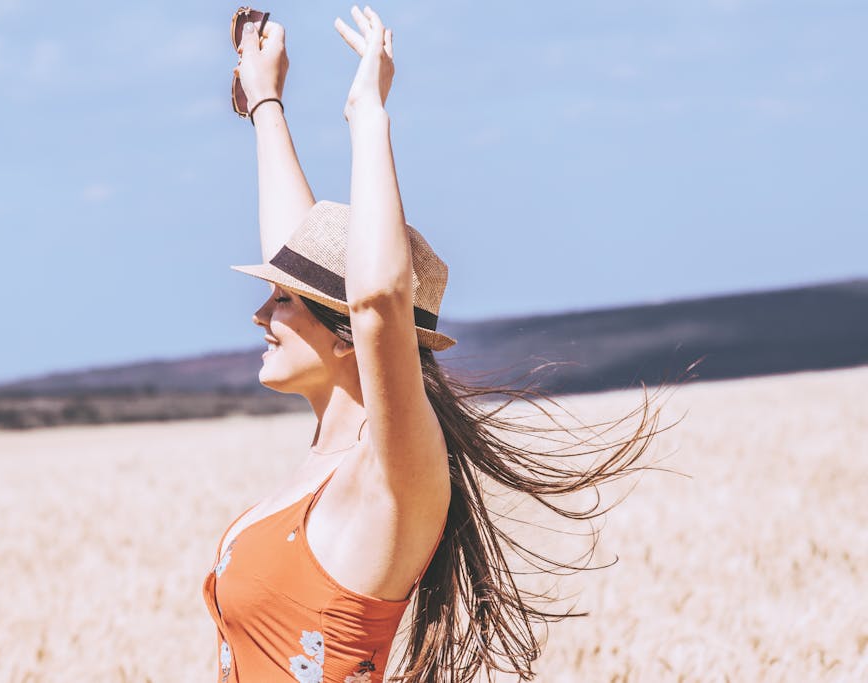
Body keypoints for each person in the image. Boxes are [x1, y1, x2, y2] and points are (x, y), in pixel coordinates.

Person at [203, 6, 680, 682]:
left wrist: (368, 114)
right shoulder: (329, 457)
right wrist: (265, 102)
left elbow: (374, 303)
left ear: (349, 338)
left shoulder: (395, 470)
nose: (259, 314)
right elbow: (308, 267)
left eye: (280, 300)